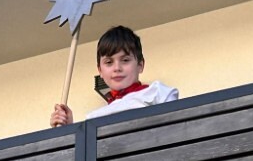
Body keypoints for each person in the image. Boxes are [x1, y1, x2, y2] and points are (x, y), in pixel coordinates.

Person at [50, 25, 178, 126]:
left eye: (125, 60)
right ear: (100, 70)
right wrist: (69, 129)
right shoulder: (94, 118)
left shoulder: (157, 93)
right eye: (109, 62)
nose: (117, 68)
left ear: (140, 65)